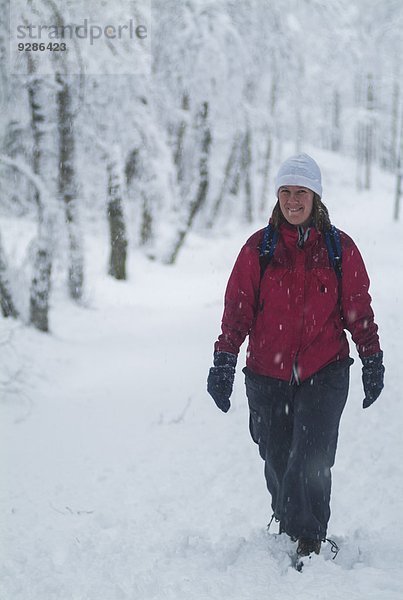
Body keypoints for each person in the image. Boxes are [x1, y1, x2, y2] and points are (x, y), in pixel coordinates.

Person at [207, 153, 384, 558]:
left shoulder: (340, 248)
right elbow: (237, 310)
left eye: (300, 192)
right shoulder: (259, 249)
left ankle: (309, 537)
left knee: (312, 458)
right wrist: (224, 361)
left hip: (325, 369)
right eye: (285, 192)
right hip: (267, 374)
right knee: (277, 457)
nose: (292, 200)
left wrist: (371, 358)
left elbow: (358, 308)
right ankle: (289, 521)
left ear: (315, 196)